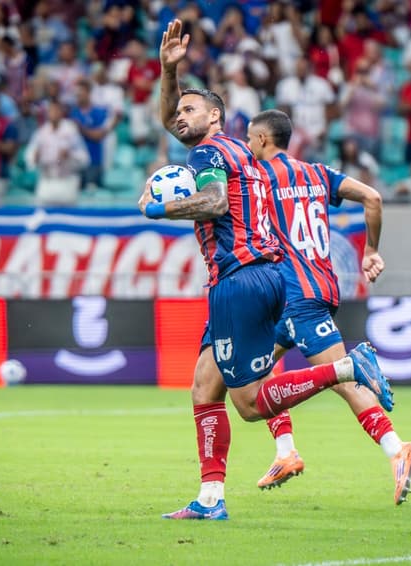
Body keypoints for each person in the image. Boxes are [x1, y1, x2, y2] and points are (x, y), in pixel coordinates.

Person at [138, 19, 393, 521]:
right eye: (179, 110)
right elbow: (172, 122)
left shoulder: (208, 153)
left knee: (251, 405)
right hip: (261, 275)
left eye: (191, 109)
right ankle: (210, 499)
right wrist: (168, 72)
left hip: (240, 278)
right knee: (204, 388)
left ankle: (346, 368)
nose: (179, 116)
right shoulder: (238, 150)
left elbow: (213, 202)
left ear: (215, 115)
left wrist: (157, 209)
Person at [247, 109, 411, 501]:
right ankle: (285, 452)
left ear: (261, 140)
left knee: (342, 379)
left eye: (249, 138)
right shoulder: (318, 173)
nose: (246, 145)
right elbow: (373, 197)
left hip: (297, 297)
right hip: (314, 290)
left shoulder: (259, 178)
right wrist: (371, 250)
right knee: (255, 373)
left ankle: (397, 448)